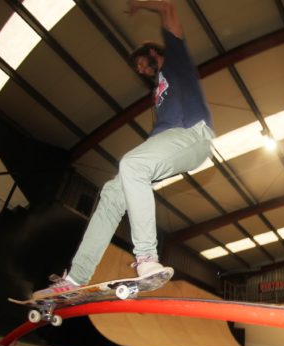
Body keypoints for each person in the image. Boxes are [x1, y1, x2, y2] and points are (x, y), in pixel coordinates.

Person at [34, 0, 214, 298]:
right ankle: (76, 278)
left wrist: (141, 4)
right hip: (169, 142)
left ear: (154, 53)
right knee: (112, 193)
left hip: (193, 135)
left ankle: (146, 257)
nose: (142, 70)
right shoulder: (159, 91)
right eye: (139, 69)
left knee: (132, 164)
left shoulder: (176, 60)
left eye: (144, 63)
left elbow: (169, 7)